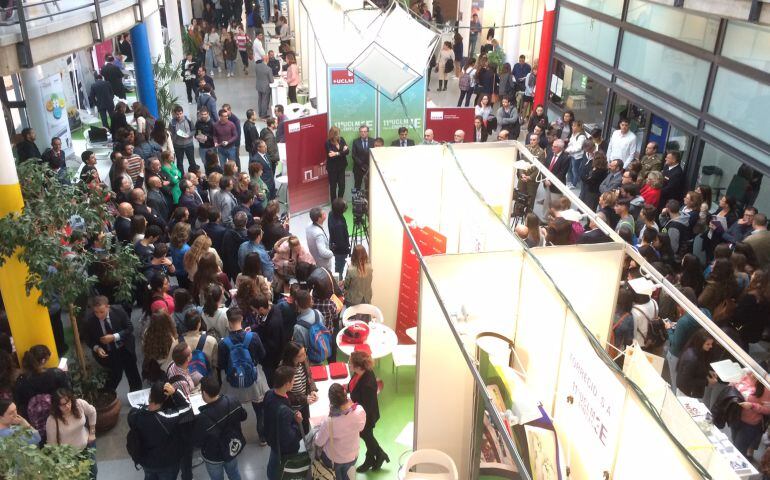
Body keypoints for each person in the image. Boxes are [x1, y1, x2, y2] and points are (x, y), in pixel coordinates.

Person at [218, 306, 267, 444]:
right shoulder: (253, 337)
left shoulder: (223, 343)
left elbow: (221, 365)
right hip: (253, 381)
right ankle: (262, 437)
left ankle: (238, 438)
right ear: (242, 319)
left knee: (234, 412)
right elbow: (262, 355)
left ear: (228, 321)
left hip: (233, 384)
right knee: (259, 410)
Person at [127, 381, 194, 480]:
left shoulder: (134, 413)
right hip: (166, 463)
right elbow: (187, 407)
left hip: (145, 461)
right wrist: (175, 392)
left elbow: (131, 421)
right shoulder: (167, 418)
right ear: (166, 398)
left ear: (149, 395)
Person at [84, 295, 142, 392]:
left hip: (125, 347)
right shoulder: (89, 320)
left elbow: (129, 328)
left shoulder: (118, 311)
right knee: (114, 375)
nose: (99, 315)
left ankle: (136, 393)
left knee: (132, 372)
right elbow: (88, 339)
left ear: (108, 307)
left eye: (102, 312)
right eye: (96, 312)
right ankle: (108, 394)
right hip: (108, 352)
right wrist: (97, 348)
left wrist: (114, 337)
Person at [194, 375, 247, 480]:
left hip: (213, 456)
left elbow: (198, 441)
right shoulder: (232, 400)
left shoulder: (202, 418)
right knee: (234, 473)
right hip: (232, 448)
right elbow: (244, 416)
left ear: (204, 393)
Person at [314, 383, 367, 480]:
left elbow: (319, 442)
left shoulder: (329, 421)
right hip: (353, 456)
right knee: (344, 471)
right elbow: (361, 428)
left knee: (337, 474)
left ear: (331, 401)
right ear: (345, 394)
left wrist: (317, 430)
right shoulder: (359, 411)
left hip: (334, 460)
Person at [348, 351, 387, 472]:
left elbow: (366, 407)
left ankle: (377, 456)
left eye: (350, 363)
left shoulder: (368, 384)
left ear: (358, 367)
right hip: (362, 413)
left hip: (366, 417)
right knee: (368, 437)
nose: (349, 364)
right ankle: (375, 457)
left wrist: (350, 406)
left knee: (367, 436)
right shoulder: (360, 373)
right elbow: (354, 386)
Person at [263, 366, 304, 480]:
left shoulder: (269, 393)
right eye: (293, 380)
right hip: (285, 447)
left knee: (273, 462)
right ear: (286, 384)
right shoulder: (283, 411)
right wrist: (297, 423)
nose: (294, 382)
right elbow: (289, 437)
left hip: (272, 437)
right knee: (284, 465)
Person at [46, 388, 97, 477]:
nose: (67, 406)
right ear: (56, 406)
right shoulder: (52, 421)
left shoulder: (79, 404)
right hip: (69, 457)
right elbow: (52, 445)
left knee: (93, 473)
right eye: (63, 405)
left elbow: (92, 412)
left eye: (68, 402)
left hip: (87, 446)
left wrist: (92, 433)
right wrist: (62, 462)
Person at [13, 345, 69, 421]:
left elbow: (19, 404)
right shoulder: (56, 374)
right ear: (43, 360)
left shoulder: (21, 381)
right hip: (58, 415)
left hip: (35, 421)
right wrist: (64, 373)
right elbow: (67, 392)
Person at [675, 329, 717, 398]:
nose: (711, 346)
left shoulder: (698, 351)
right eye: (708, 344)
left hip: (691, 392)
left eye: (711, 344)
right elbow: (686, 380)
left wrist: (708, 372)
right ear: (700, 342)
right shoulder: (691, 359)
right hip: (688, 393)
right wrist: (707, 382)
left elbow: (697, 368)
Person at [328, 198, 351, 280]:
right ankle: (339, 283)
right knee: (340, 268)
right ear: (340, 210)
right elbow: (341, 244)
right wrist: (347, 249)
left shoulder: (331, 214)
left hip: (334, 245)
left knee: (338, 266)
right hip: (341, 251)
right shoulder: (339, 225)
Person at [325, 127, 349, 200]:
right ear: (332, 135)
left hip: (342, 167)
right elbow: (331, 156)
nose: (338, 136)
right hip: (332, 169)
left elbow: (347, 152)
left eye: (339, 133)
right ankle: (334, 204)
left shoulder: (342, 139)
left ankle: (340, 202)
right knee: (333, 187)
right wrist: (342, 152)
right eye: (336, 134)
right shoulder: (328, 142)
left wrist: (337, 153)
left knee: (342, 186)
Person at [307, 207, 334, 272]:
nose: (325, 213)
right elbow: (323, 252)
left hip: (315, 257)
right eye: (323, 214)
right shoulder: (318, 234)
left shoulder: (308, 225)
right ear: (319, 219)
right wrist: (332, 253)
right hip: (323, 264)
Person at [351, 125, 374, 191]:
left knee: (370, 185)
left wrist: (367, 165)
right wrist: (362, 165)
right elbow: (354, 155)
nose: (363, 133)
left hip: (370, 167)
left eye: (364, 131)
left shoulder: (373, 141)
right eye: (361, 131)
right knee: (357, 185)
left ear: (367, 132)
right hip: (358, 168)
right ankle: (356, 201)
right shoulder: (355, 141)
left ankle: (369, 200)